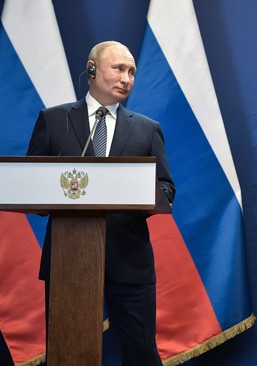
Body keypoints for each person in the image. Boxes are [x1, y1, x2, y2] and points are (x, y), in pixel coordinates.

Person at [27, 40, 176, 365]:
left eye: (132, 72)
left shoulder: (148, 130)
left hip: (129, 260)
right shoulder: (53, 121)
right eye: (119, 68)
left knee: (141, 354)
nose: (127, 78)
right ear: (91, 69)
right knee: (68, 353)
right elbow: (30, 182)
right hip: (69, 261)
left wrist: (146, 195)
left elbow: (166, 187)